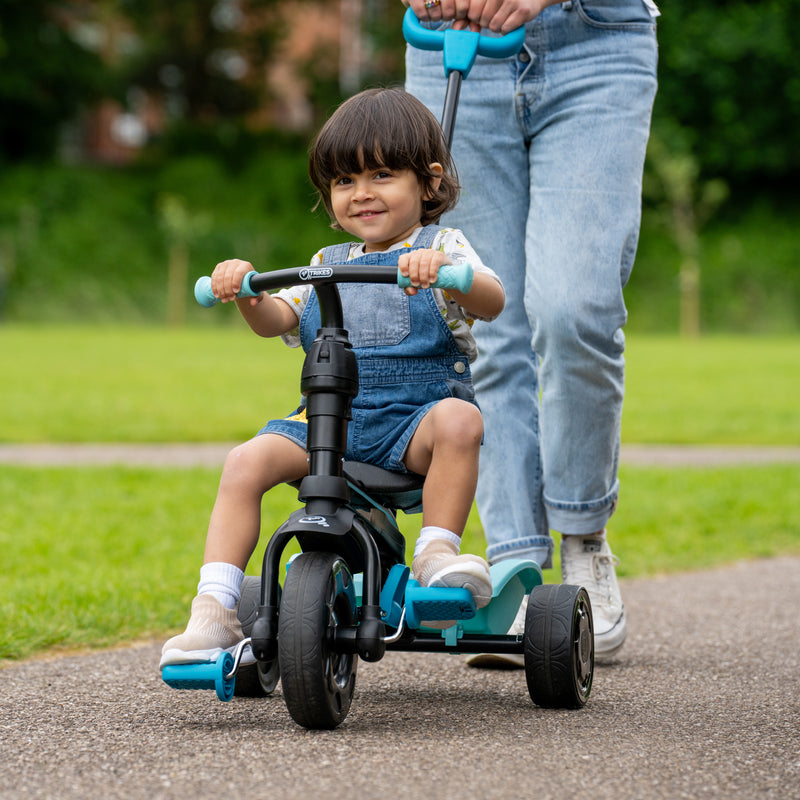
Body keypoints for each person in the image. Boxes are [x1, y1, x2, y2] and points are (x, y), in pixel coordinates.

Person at [160, 87, 506, 668]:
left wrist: (449, 274)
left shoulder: (441, 246)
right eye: (344, 182)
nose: (361, 194)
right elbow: (279, 319)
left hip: (413, 425)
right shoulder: (327, 265)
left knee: (460, 419)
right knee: (244, 463)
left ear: (428, 181)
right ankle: (214, 610)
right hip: (328, 426)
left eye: (381, 174)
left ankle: (436, 555)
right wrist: (245, 291)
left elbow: (492, 300)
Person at [404, 0, 659, 661]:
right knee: (477, 317)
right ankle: (514, 563)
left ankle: (582, 539)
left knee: (575, 310)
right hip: (448, 38)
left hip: (596, 40)